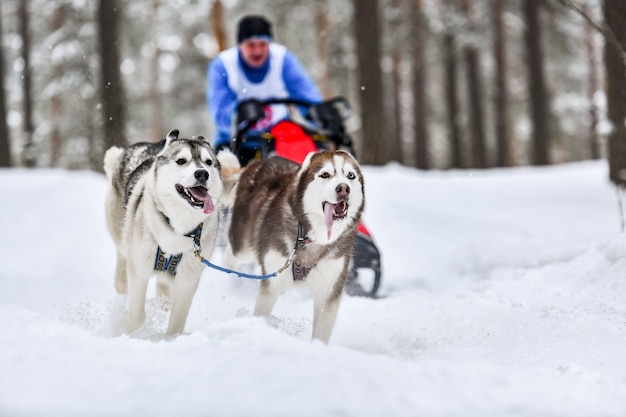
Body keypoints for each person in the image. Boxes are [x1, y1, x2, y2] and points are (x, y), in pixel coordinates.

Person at [206, 15, 322, 157]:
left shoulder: (283, 60)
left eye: (263, 44)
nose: (257, 51)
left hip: (277, 138)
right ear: (240, 45)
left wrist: (322, 117)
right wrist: (239, 113)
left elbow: (306, 96)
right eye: (251, 45)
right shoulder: (223, 65)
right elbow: (220, 114)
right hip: (235, 141)